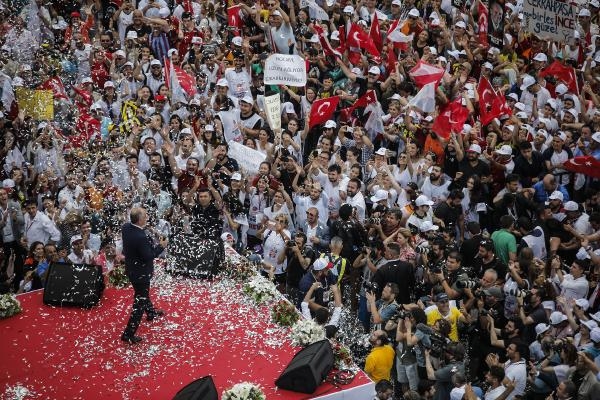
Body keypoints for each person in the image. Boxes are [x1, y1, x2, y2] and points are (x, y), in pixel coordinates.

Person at [121, 207, 168, 344]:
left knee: (142, 293)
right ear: (140, 219)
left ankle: (151, 312)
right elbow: (149, 256)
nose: (147, 217)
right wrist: (161, 246)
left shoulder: (126, 228)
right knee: (140, 301)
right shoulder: (140, 237)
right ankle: (128, 334)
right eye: (145, 216)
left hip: (131, 269)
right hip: (140, 273)